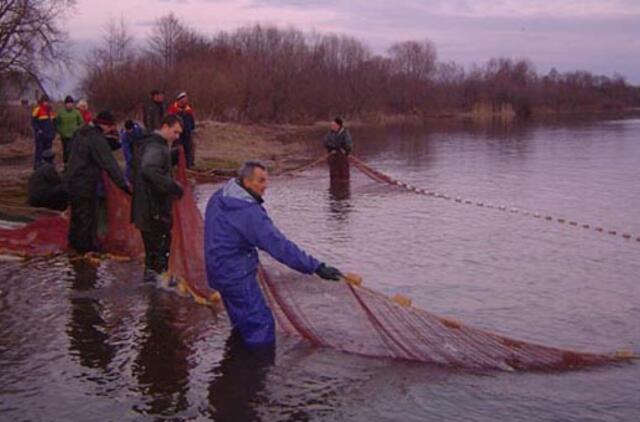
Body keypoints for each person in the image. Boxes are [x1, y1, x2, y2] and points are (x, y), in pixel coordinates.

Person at [204, 161, 343, 348]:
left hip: (216, 271)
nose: (265, 186)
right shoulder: (249, 213)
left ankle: (233, 367)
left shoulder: (219, 196)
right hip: (237, 277)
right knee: (261, 326)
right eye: (260, 181)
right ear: (246, 182)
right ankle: (258, 373)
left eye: (266, 180)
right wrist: (316, 266)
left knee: (240, 323)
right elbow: (279, 246)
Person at [64, 111, 131, 253]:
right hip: (85, 183)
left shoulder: (81, 132)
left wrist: (108, 143)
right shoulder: (96, 138)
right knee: (87, 217)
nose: (111, 130)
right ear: (104, 125)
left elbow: (86, 148)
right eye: (110, 127)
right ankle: (85, 252)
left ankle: (75, 249)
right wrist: (124, 185)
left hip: (71, 181)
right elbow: (109, 163)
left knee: (77, 216)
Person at [131, 114, 184, 283]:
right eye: (175, 132)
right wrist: (173, 186)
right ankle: (162, 284)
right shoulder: (156, 147)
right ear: (165, 127)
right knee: (160, 246)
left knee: (152, 251)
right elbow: (149, 169)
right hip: (153, 208)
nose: (177, 137)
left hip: (146, 207)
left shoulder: (153, 144)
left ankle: (153, 287)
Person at [167, 92, 196, 168]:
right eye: (184, 98)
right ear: (179, 99)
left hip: (187, 132)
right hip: (177, 133)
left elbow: (192, 121)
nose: (186, 100)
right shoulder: (173, 109)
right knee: (177, 148)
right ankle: (174, 164)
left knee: (188, 149)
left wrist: (191, 128)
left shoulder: (188, 109)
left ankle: (188, 165)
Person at [55, 95, 84, 165]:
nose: (69, 105)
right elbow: (57, 123)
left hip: (74, 135)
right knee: (65, 151)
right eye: (68, 103)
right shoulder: (61, 112)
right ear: (65, 104)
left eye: (71, 103)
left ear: (73, 104)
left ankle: (73, 165)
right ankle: (66, 165)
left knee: (73, 150)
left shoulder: (76, 112)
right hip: (64, 136)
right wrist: (60, 131)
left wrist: (78, 130)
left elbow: (81, 123)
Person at [323, 117, 353, 182]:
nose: (331, 127)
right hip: (332, 157)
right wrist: (333, 147)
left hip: (342, 158)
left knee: (344, 177)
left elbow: (348, 146)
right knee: (333, 177)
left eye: (333, 125)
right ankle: (333, 190)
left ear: (338, 126)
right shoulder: (330, 133)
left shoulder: (345, 134)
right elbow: (325, 142)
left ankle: (343, 190)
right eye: (331, 125)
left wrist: (341, 149)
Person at [31, 94, 56, 169]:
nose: (46, 103)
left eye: (48, 102)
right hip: (40, 135)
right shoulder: (37, 109)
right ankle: (37, 164)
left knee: (48, 150)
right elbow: (33, 122)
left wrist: (54, 132)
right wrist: (38, 130)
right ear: (42, 102)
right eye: (45, 101)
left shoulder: (51, 111)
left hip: (49, 135)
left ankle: (48, 165)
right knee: (39, 150)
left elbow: (54, 123)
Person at [119, 120, 147, 184]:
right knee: (129, 162)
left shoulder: (139, 130)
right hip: (130, 146)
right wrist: (129, 158)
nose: (128, 131)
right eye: (127, 130)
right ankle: (127, 179)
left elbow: (144, 140)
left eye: (130, 130)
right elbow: (125, 148)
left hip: (139, 145)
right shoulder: (124, 135)